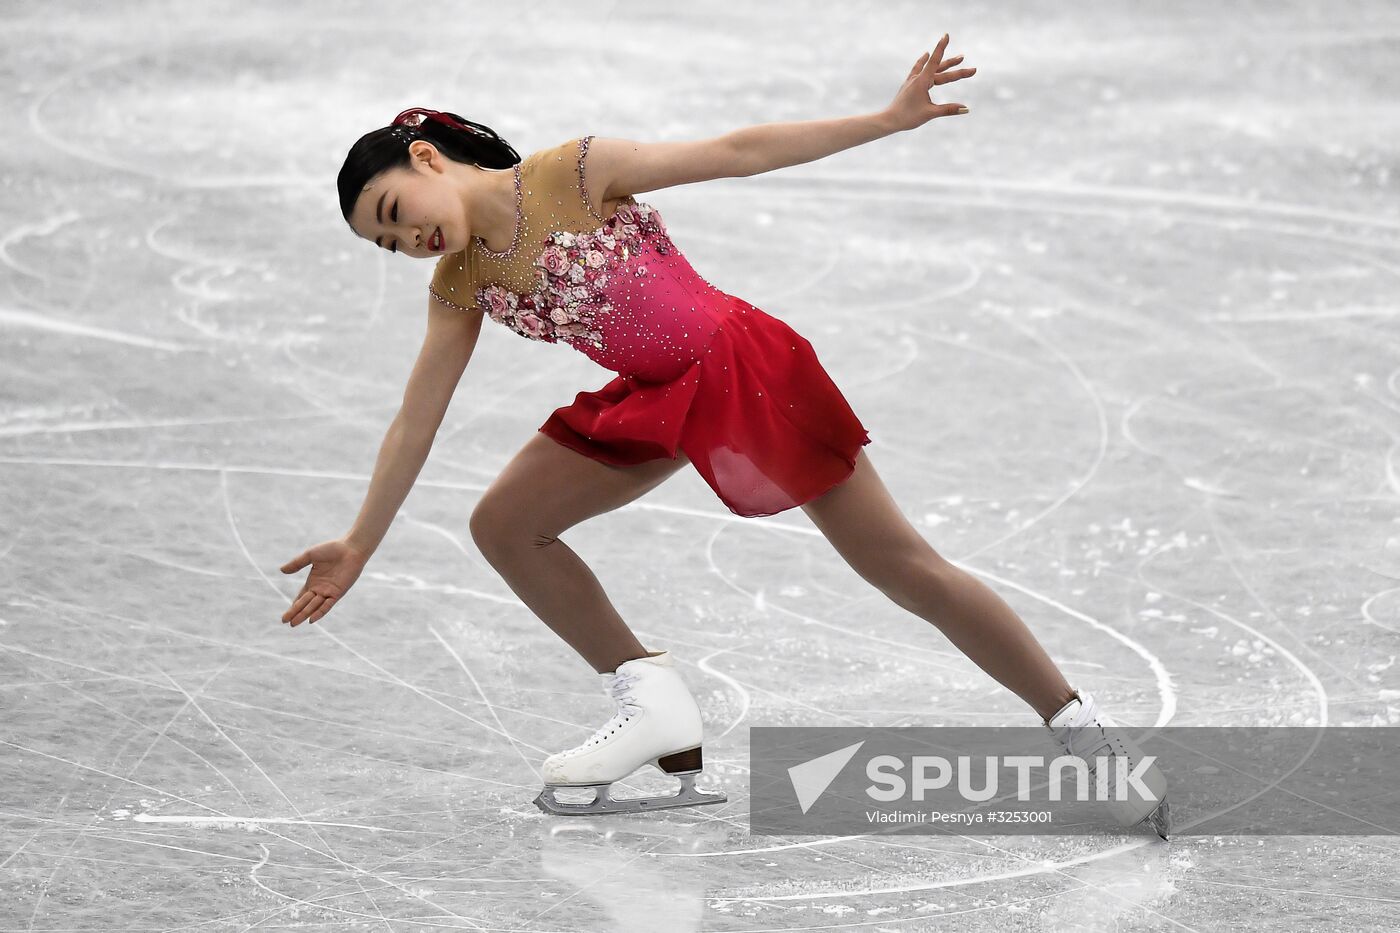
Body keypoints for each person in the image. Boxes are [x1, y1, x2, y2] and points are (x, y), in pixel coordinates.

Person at [278, 34, 1169, 835]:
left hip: (742, 372)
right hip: (656, 396)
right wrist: (361, 541)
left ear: (427, 158)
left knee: (904, 568)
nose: (412, 242)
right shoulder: (461, 284)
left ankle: (1082, 732)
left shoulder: (573, 172)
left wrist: (886, 120)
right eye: (389, 247)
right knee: (504, 523)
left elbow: (738, 153)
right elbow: (414, 418)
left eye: (396, 214)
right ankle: (649, 695)